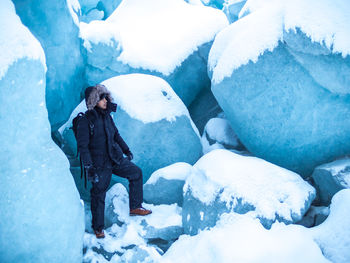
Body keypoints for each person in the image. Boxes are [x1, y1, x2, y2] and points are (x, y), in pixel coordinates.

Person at [76, 84, 152, 239]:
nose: (105, 100)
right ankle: (98, 228)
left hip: (115, 158)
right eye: (101, 98)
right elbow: (83, 147)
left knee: (136, 173)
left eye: (106, 97)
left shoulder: (107, 116)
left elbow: (116, 135)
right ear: (94, 100)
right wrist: (89, 167)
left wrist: (126, 150)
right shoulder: (86, 121)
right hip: (99, 164)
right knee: (98, 193)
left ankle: (135, 207)